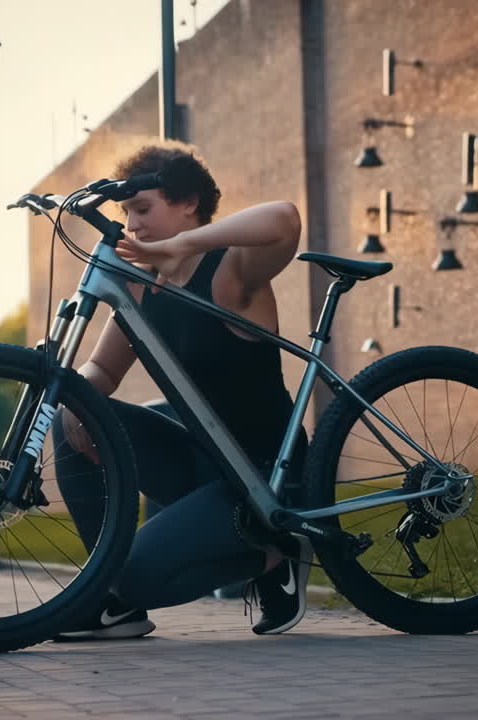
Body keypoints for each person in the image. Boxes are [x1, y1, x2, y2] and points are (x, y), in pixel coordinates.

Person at [53, 143, 311, 641]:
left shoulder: (231, 272)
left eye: (142, 209)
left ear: (188, 203)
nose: (132, 225)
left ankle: (275, 552)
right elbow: (102, 369)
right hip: (199, 460)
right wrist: (76, 398)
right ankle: (104, 595)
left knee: (135, 577)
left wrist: (183, 245)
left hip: (262, 475)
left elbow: (285, 218)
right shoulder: (141, 287)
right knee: (75, 411)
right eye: (127, 214)